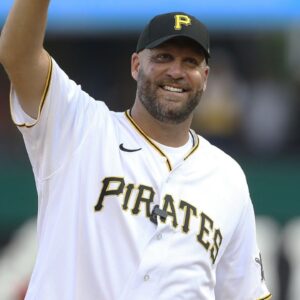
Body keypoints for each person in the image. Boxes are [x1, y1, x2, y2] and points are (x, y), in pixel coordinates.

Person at [0, 0, 272, 299]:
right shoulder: (80, 126)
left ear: (205, 78)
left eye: (190, 62)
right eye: (164, 57)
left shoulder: (227, 177)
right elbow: (19, 55)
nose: (176, 72)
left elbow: (246, 292)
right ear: (136, 65)